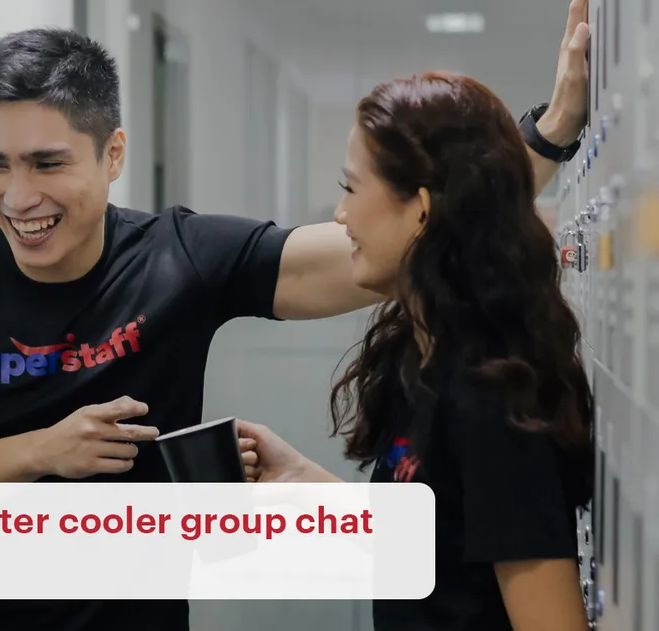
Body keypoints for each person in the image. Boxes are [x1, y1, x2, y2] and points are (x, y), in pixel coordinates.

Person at [0, 0, 592, 630]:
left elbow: (416, 232)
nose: (17, 196)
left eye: (46, 164)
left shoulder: (180, 259)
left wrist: (553, 131)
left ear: (113, 155)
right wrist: (42, 452)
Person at [237, 67, 594, 629]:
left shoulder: (496, 403)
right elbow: (439, 538)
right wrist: (303, 480)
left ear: (422, 210)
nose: (340, 215)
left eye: (351, 188)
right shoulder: (425, 357)